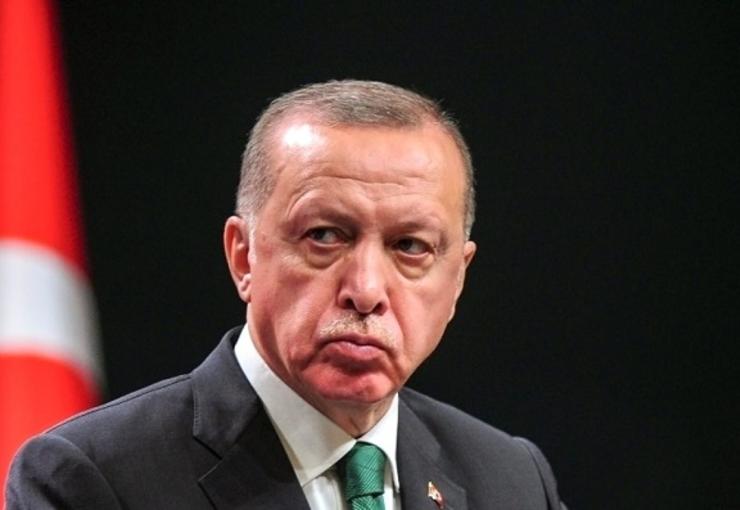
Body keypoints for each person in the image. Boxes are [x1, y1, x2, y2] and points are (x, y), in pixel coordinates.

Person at [6, 80, 565, 509]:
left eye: (410, 246)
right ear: (243, 255)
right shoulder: (93, 480)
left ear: (457, 278)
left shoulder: (512, 481)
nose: (366, 290)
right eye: (325, 236)